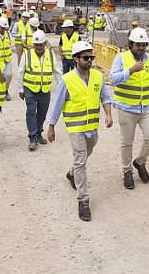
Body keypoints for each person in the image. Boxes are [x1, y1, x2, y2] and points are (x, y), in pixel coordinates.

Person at [47, 41, 113, 222]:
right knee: (81, 161)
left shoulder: (98, 77)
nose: (90, 60)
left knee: (85, 154)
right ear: (76, 59)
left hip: (92, 129)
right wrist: (51, 126)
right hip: (76, 129)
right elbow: (58, 104)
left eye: (91, 57)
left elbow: (105, 96)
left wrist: (108, 114)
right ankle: (83, 200)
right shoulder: (67, 80)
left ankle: (71, 173)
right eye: (86, 58)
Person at [110, 27, 149, 190]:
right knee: (127, 142)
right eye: (138, 45)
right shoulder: (121, 58)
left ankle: (140, 162)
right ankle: (127, 171)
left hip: (146, 108)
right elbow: (113, 78)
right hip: (126, 108)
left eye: (144, 45)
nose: (141, 48)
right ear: (130, 44)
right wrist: (130, 71)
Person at [17, 30, 62, 151]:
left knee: (42, 113)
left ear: (44, 44)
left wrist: (63, 88)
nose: (38, 47)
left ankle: (38, 133)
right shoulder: (27, 55)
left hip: (45, 89)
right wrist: (21, 88)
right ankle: (32, 137)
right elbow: (20, 72)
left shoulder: (51, 55)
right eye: (36, 45)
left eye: (40, 45)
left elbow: (57, 73)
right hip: (30, 89)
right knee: (31, 111)